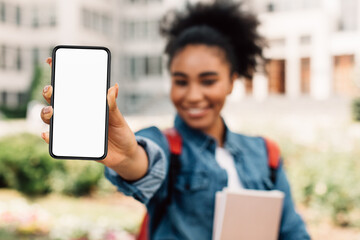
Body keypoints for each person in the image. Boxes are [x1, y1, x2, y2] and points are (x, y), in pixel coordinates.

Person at [40, 1, 310, 239]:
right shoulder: (167, 146)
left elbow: (292, 233)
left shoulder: (266, 153)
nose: (193, 96)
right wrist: (126, 157)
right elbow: (143, 160)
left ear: (232, 81)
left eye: (208, 80)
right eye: (181, 81)